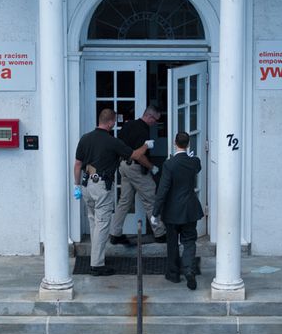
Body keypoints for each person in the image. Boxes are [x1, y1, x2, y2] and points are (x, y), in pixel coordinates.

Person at [73, 108, 151, 276]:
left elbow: (78, 164)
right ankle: (97, 265)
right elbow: (135, 155)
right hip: (101, 186)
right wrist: (146, 145)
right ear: (109, 122)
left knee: (94, 222)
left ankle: (96, 257)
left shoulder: (85, 138)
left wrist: (76, 185)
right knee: (102, 225)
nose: (114, 124)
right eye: (114, 121)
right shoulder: (111, 141)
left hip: (86, 185)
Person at [152, 131, 204, 290]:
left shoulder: (169, 164)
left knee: (172, 243)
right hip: (189, 209)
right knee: (189, 241)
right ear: (188, 144)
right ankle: (189, 270)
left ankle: (173, 274)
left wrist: (155, 212)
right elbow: (197, 165)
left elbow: (163, 190)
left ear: (175, 143)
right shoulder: (194, 162)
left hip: (173, 211)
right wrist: (191, 156)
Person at [108, 105, 165, 247]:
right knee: (150, 198)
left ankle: (115, 233)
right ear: (150, 117)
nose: (155, 123)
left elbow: (120, 145)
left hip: (123, 165)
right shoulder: (142, 130)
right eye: (155, 120)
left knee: (124, 201)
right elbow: (139, 156)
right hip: (135, 167)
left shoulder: (128, 125)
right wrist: (152, 167)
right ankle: (160, 233)